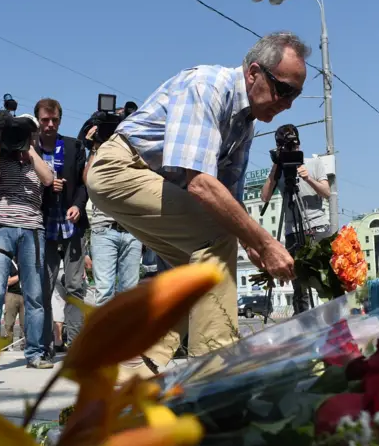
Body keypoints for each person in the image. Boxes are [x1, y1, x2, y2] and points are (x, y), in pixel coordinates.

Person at [86, 32, 310, 374]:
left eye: (296, 95)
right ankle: (215, 374)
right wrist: (263, 242)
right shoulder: (208, 86)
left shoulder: (244, 123)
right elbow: (201, 185)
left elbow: (227, 195)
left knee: (199, 267)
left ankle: (145, 364)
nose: (288, 103)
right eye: (284, 90)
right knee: (217, 239)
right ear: (254, 73)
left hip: (148, 177)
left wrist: (251, 243)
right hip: (120, 167)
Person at [0, 114, 54, 370]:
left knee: (34, 295)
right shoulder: (0, 159)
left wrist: (30, 149)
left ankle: (34, 354)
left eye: (28, 132)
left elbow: (48, 180)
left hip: (32, 228)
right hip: (0, 226)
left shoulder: (37, 159)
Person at [36, 98, 88, 358]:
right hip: (43, 227)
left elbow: (83, 183)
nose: (50, 125)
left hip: (72, 227)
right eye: (45, 120)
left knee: (76, 287)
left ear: (60, 120)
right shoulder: (29, 148)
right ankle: (44, 346)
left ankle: (77, 345)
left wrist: (79, 205)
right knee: (44, 286)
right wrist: (46, 186)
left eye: (54, 120)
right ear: (38, 120)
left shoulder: (73, 146)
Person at [260, 124, 330, 314]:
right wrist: (277, 164)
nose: (292, 149)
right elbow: (264, 197)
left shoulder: (314, 163)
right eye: (286, 146)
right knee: (299, 284)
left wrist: (308, 179)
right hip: (292, 231)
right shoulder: (279, 170)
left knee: (324, 278)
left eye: (293, 144)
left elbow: (327, 193)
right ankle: (302, 319)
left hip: (318, 227)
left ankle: (333, 319)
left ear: (299, 143)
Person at [84, 125, 142, 306]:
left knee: (130, 294)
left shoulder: (134, 150)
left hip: (132, 228)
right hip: (104, 228)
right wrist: (95, 146)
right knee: (104, 292)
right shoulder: (100, 152)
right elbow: (88, 179)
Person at [4, 258, 25, 349]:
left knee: (25, 323)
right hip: (12, 295)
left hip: (25, 295)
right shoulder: (8, 263)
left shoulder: (25, 261)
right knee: (8, 322)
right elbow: (6, 281)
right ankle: (8, 344)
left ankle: (25, 344)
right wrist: (20, 276)